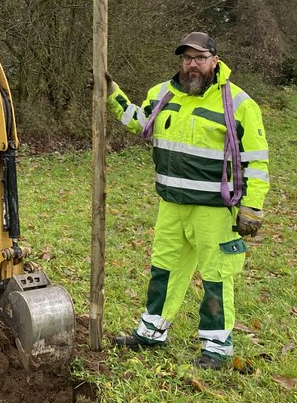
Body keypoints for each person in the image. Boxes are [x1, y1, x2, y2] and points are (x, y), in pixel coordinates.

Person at [105, 32, 270, 369]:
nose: (192, 64)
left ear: (215, 60)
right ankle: (151, 333)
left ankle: (217, 348)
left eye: (199, 57)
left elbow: (256, 159)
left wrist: (252, 206)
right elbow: (140, 121)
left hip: (214, 210)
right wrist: (112, 95)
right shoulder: (162, 94)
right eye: (186, 58)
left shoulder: (239, 103)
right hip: (172, 204)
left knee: (215, 276)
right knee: (163, 269)